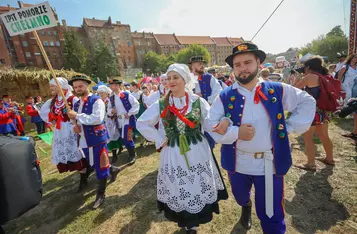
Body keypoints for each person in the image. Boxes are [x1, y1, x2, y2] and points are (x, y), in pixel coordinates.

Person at [206, 42, 315, 234]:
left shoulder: (277, 89)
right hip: (238, 162)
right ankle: (245, 206)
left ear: (259, 63)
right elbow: (210, 125)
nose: (242, 68)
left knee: (271, 214)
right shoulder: (224, 96)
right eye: (237, 64)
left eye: (247, 62)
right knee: (240, 196)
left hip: (269, 164)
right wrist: (235, 133)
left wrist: (287, 127)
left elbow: (307, 101)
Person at [137, 63, 228, 234]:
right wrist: (159, 138)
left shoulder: (198, 101)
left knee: (195, 183)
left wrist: (224, 125)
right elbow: (141, 123)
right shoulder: (161, 103)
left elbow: (209, 123)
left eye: (175, 77)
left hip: (197, 151)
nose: (171, 81)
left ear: (185, 80)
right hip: (173, 152)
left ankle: (194, 223)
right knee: (179, 186)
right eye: (169, 78)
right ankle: (187, 223)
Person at [67, 76, 120, 209]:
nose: (78, 89)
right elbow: (77, 120)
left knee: (101, 166)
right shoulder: (77, 103)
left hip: (97, 138)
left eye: (81, 86)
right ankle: (113, 170)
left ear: (87, 86)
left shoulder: (97, 101)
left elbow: (97, 119)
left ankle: (101, 194)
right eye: (76, 87)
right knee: (94, 163)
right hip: (84, 139)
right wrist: (75, 126)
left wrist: (77, 116)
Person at [39, 77, 88, 190]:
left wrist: (76, 124)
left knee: (77, 151)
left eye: (53, 86)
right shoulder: (54, 101)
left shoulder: (72, 99)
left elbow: (80, 113)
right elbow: (47, 113)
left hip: (71, 128)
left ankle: (84, 176)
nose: (51, 88)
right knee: (67, 151)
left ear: (60, 86)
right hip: (60, 130)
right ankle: (83, 173)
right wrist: (52, 118)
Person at [294, 57, 335, 171]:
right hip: (322, 111)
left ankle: (311, 164)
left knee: (308, 138)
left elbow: (294, 89)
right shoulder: (325, 76)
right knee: (324, 136)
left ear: (308, 67)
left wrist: (298, 77)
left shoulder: (310, 77)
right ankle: (330, 158)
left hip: (311, 112)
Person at [189, 56, 222, 150]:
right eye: (199, 64)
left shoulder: (209, 77)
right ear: (192, 66)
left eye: (203, 64)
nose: (202, 66)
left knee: (208, 139)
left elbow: (218, 91)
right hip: (191, 115)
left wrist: (206, 101)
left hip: (206, 113)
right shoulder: (187, 79)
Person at [108, 78, 139, 164]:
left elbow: (136, 104)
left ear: (119, 85)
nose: (112, 87)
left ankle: (132, 154)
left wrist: (129, 113)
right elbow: (109, 109)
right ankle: (130, 151)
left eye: (114, 85)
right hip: (118, 120)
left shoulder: (126, 94)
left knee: (127, 137)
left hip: (127, 120)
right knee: (124, 139)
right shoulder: (112, 98)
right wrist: (111, 111)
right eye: (111, 85)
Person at [97, 85, 122, 164]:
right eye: (100, 93)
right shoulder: (99, 101)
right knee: (108, 137)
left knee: (114, 135)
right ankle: (113, 152)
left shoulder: (110, 101)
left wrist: (111, 113)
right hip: (103, 122)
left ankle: (116, 152)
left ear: (107, 93)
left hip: (111, 121)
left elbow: (113, 110)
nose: (101, 94)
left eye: (102, 93)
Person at [337, 54, 357, 140]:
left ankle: (350, 113)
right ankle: (344, 113)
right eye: (355, 57)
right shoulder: (345, 67)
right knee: (348, 99)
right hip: (345, 86)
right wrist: (339, 87)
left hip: (354, 86)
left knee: (353, 101)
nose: (356, 58)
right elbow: (339, 77)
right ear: (351, 58)